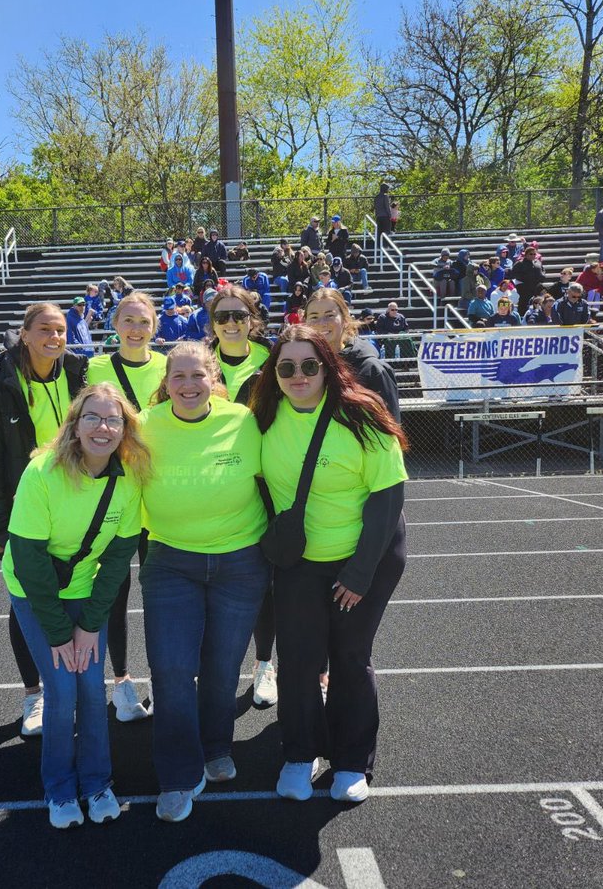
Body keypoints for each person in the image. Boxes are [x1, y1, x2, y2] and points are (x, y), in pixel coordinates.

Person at [249, 324, 409, 804]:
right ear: (274, 372)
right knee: (297, 660)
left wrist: (359, 572)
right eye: (286, 366)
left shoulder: (362, 414)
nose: (298, 375)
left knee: (349, 657)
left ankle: (351, 760)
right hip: (300, 560)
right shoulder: (260, 417)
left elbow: (387, 497)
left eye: (309, 365)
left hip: (366, 557)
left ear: (328, 366)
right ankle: (300, 753)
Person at [4, 383, 150, 828]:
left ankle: (97, 782)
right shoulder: (43, 472)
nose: (102, 427)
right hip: (34, 591)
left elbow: (117, 561)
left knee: (90, 687)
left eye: (113, 419)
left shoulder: (128, 480)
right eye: (92, 418)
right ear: (75, 423)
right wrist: (58, 633)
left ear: (125, 429)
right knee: (62, 689)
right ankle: (60, 790)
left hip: (85, 590)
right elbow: (29, 560)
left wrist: (88, 625)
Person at [139, 341, 270, 822]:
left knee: (222, 665)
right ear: (166, 383)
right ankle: (176, 773)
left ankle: (216, 747)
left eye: (199, 375)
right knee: (172, 670)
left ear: (214, 377)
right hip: (171, 561)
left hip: (241, 562)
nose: (190, 385)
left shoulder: (242, 421)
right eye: (180, 377)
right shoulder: (145, 426)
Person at [0, 303, 90, 737]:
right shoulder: (1, 382)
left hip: (76, 507)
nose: (54, 337)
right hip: (26, 512)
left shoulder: (78, 373)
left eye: (60, 330)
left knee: (75, 596)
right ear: (24, 334)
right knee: (25, 600)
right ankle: (33, 694)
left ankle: (74, 689)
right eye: (44, 329)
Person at [84, 292, 167, 721]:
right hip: (112, 493)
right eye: (129, 320)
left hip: (155, 494)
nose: (136, 329)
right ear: (115, 324)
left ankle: (164, 679)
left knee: (159, 593)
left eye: (144, 321)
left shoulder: (168, 368)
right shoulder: (95, 367)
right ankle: (120, 681)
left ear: (156, 326)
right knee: (112, 591)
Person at [304, 290, 401, 420]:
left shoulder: (372, 370)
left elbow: (391, 430)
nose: (321, 323)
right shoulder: (298, 369)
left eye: (329, 315)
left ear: (345, 318)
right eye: (314, 317)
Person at [208, 286, 272, 404]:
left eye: (240, 315)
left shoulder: (274, 360)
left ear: (251, 321)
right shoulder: (200, 363)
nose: (231, 322)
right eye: (221, 317)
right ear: (213, 324)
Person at [509, 246, 547, 316]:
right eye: (531, 254)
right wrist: (525, 278)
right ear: (526, 254)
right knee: (524, 305)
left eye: (534, 254)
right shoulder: (520, 263)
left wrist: (542, 276)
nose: (533, 255)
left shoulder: (538, 262)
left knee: (539, 303)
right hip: (525, 288)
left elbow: (543, 270)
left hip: (537, 287)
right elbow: (513, 273)